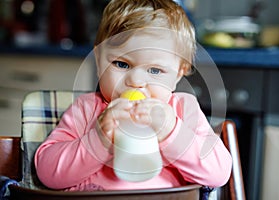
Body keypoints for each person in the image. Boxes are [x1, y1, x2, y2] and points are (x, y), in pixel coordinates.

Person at [34, 0, 232, 191]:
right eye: (121, 64)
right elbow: (47, 172)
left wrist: (172, 132)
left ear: (179, 73)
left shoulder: (183, 108)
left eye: (155, 70)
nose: (135, 81)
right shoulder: (86, 109)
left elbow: (219, 173)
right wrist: (98, 140)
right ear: (99, 61)